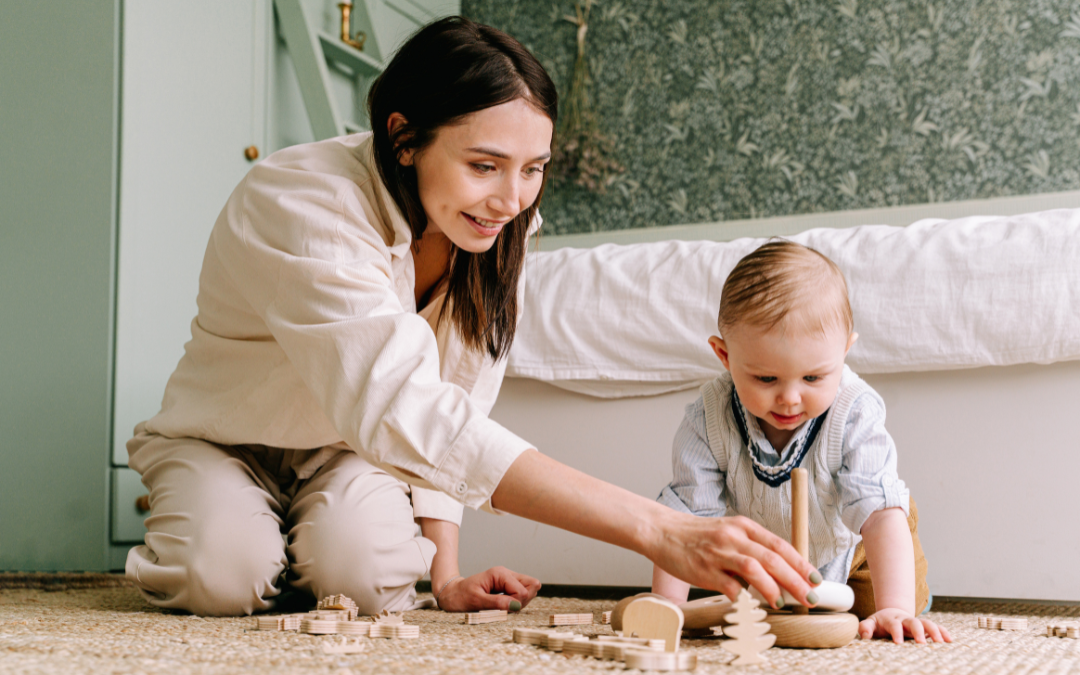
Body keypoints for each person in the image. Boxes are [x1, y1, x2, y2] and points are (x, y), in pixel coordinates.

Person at [124, 17, 820, 618]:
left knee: (365, 579)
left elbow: (454, 399)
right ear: (404, 137)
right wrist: (659, 528)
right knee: (219, 573)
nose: (510, 198)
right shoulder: (304, 204)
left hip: (346, 451)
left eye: (532, 168)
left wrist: (446, 574)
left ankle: (299, 546)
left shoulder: (496, 227)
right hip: (223, 439)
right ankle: (241, 532)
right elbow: (407, 407)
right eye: (485, 165)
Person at [651, 240, 952, 644]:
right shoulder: (709, 418)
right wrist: (666, 610)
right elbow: (684, 524)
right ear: (724, 356)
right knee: (754, 610)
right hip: (770, 555)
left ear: (844, 351)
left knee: (875, 615)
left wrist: (894, 607)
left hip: (858, 542)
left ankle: (901, 599)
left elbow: (878, 515)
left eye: (812, 378)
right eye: (766, 379)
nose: (790, 398)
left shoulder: (855, 410)